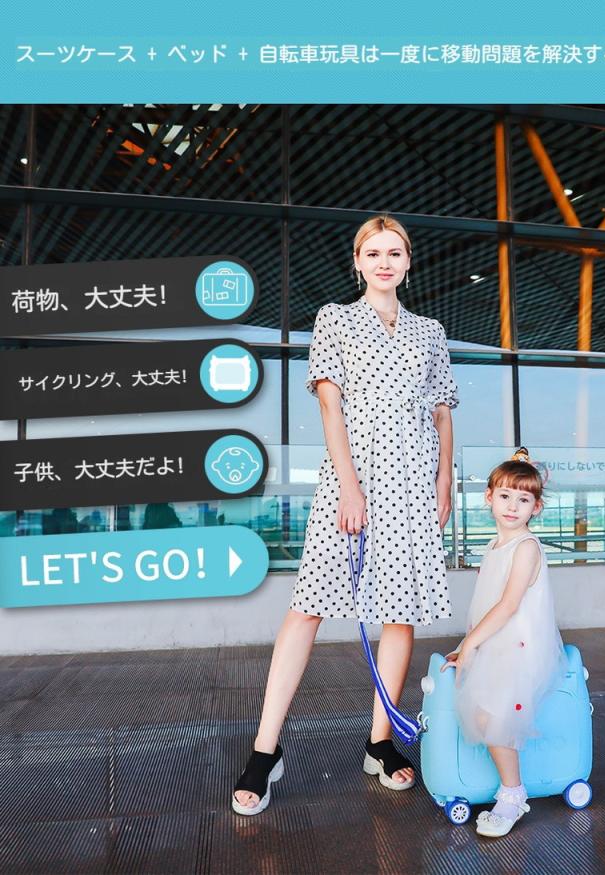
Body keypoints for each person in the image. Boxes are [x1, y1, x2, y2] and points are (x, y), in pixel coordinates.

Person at [232, 213, 459, 815]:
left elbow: (441, 412)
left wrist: (444, 479)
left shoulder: (430, 332)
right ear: (357, 262)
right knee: (307, 607)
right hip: (351, 480)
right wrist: (350, 488)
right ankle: (265, 750)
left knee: (400, 612)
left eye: (394, 252)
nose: (384, 262)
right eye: (373, 253)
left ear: (408, 261)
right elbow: (331, 410)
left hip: (414, 481)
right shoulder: (334, 319)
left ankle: (380, 743)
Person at [442, 448, 567, 837]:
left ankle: (513, 794)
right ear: (489, 498)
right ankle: (506, 787)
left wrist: (471, 645)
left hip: (521, 648)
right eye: (505, 496)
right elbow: (485, 606)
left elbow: (509, 605)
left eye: (524, 499)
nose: (513, 506)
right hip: (497, 643)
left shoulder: (526, 547)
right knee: (480, 712)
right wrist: (469, 642)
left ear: (536, 507)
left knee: (493, 718)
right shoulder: (494, 546)